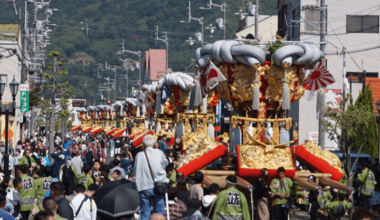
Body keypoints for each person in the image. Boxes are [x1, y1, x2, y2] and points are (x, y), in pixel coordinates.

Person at [133, 134, 169, 220]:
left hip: (143, 186)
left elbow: (135, 170)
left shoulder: (139, 155)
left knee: (145, 212)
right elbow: (165, 163)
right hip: (158, 185)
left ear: (143, 144)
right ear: (154, 143)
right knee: (159, 211)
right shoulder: (159, 152)